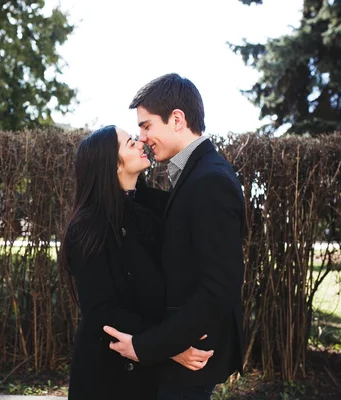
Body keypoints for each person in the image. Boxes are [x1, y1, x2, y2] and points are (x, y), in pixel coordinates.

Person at [104, 73, 246, 400]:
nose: (142, 137)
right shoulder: (194, 173)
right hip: (181, 350)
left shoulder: (210, 181)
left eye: (147, 125)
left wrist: (151, 346)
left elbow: (218, 288)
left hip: (193, 358)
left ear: (177, 119)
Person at [61, 125, 213, 400]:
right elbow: (101, 310)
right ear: (114, 165)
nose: (141, 144)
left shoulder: (157, 208)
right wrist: (167, 345)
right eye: (130, 143)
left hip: (151, 371)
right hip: (107, 374)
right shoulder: (87, 228)